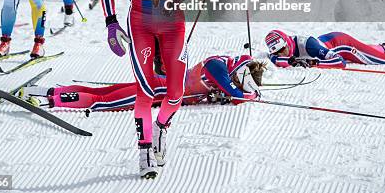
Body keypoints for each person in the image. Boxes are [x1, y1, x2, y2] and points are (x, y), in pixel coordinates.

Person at [101, 0, 193, 179]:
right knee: (146, 89)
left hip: (172, 21)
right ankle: (144, 150)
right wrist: (111, 23)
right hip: (140, 21)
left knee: (176, 93)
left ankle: (161, 127)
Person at [20, 53, 263, 111]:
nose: (241, 84)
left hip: (159, 84)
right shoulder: (218, 68)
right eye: (244, 79)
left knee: (103, 91)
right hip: (157, 90)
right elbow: (237, 95)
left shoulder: (221, 64)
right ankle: (51, 100)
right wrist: (253, 95)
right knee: (101, 100)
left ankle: (44, 91)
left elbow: (229, 95)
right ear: (239, 70)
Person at [265, 29, 385, 68]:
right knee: (367, 50)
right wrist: (289, 61)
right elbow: (273, 58)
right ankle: (384, 47)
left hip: (344, 45)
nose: (282, 53)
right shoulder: (282, 49)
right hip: (329, 41)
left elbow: (340, 62)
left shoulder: (308, 46)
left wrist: (314, 63)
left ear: (287, 42)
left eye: (282, 49)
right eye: (277, 51)